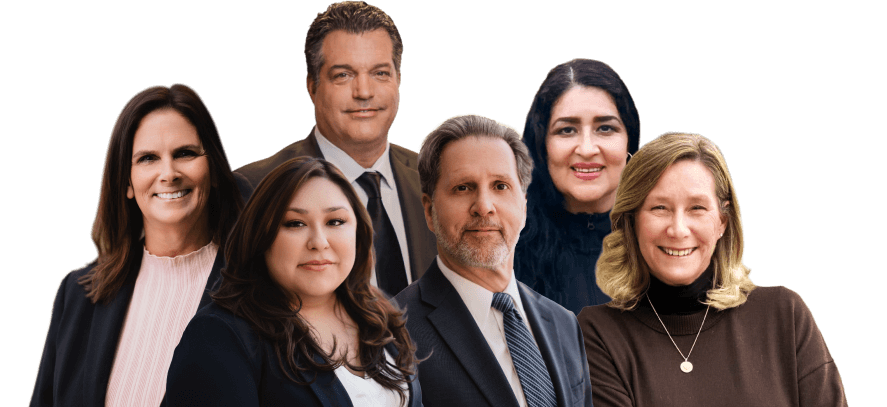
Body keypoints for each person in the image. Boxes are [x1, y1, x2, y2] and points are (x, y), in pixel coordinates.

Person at [578, 132, 847, 406]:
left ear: (722, 221)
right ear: (632, 221)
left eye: (697, 208)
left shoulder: (784, 316)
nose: (678, 229)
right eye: (659, 208)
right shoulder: (596, 334)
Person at [30, 84, 246, 406]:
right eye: (148, 158)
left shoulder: (259, 291)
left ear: (213, 169)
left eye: (185, 153)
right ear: (127, 183)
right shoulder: (77, 295)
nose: (168, 173)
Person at [164, 157, 421, 406]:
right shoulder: (220, 336)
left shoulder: (379, 311)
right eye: (295, 223)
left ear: (359, 232)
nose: (319, 242)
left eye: (335, 221)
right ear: (261, 236)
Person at [236, 1, 436, 297]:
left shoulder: (433, 178)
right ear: (312, 86)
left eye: (380, 73)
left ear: (398, 81)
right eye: (343, 75)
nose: (364, 92)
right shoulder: (253, 188)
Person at [395, 114, 592, 407]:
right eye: (463, 187)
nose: (484, 207)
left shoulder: (564, 324)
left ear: (524, 205)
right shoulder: (393, 331)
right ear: (428, 210)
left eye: (500, 186)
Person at [515, 58, 640, 315]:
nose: (586, 149)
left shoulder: (664, 241)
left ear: (630, 141)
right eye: (567, 130)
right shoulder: (506, 249)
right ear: (542, 146)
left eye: (605, 128)